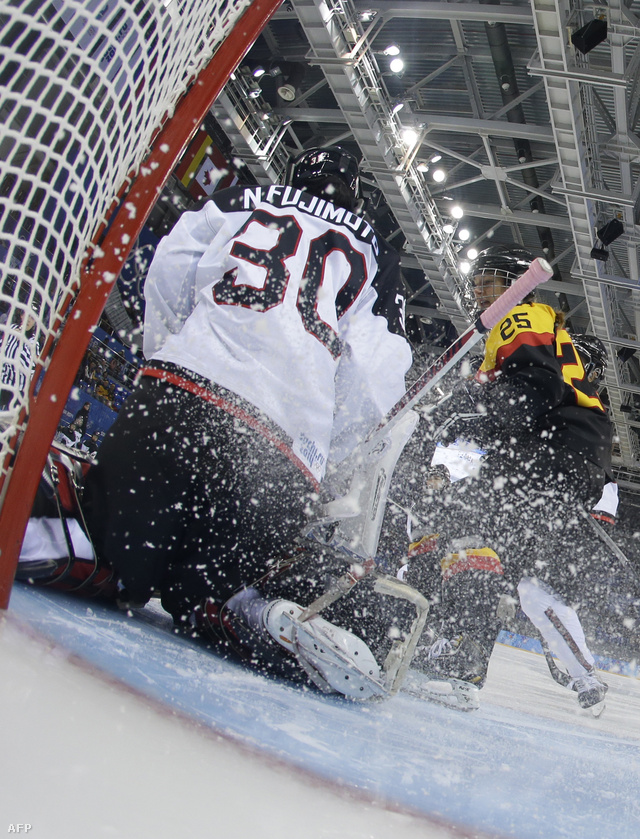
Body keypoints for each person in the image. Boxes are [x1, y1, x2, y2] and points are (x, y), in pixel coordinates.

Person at [29, 146, 413, 697]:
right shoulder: (374, 254)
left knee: (118, 559)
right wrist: (324, 441)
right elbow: (378, 379)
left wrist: (172, 355)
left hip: (179, 398)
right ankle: (247, 608)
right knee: (206, 586)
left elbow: (168, 269)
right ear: (355, 192)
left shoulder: (239, 200)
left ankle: (58, 532)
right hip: (276, 452)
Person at [393, 246, 613, 710]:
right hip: (563, 453)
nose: (476, 290)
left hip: (552, 449)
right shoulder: (526, 326)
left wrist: (457, 414)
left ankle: (456, 660)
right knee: (469, 534)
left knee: (469, 528)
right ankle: (442, 645)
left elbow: (533, 388)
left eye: (487, 279)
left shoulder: (520, 315)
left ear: (516, 282)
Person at [0, 308, 41, 416]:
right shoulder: (12, 328)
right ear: (22, 316)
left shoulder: (34, 343)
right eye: (28, 315)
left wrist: (22, 341)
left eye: (32, 318)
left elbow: (30, 368)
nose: (29, 320)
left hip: (16, 391)